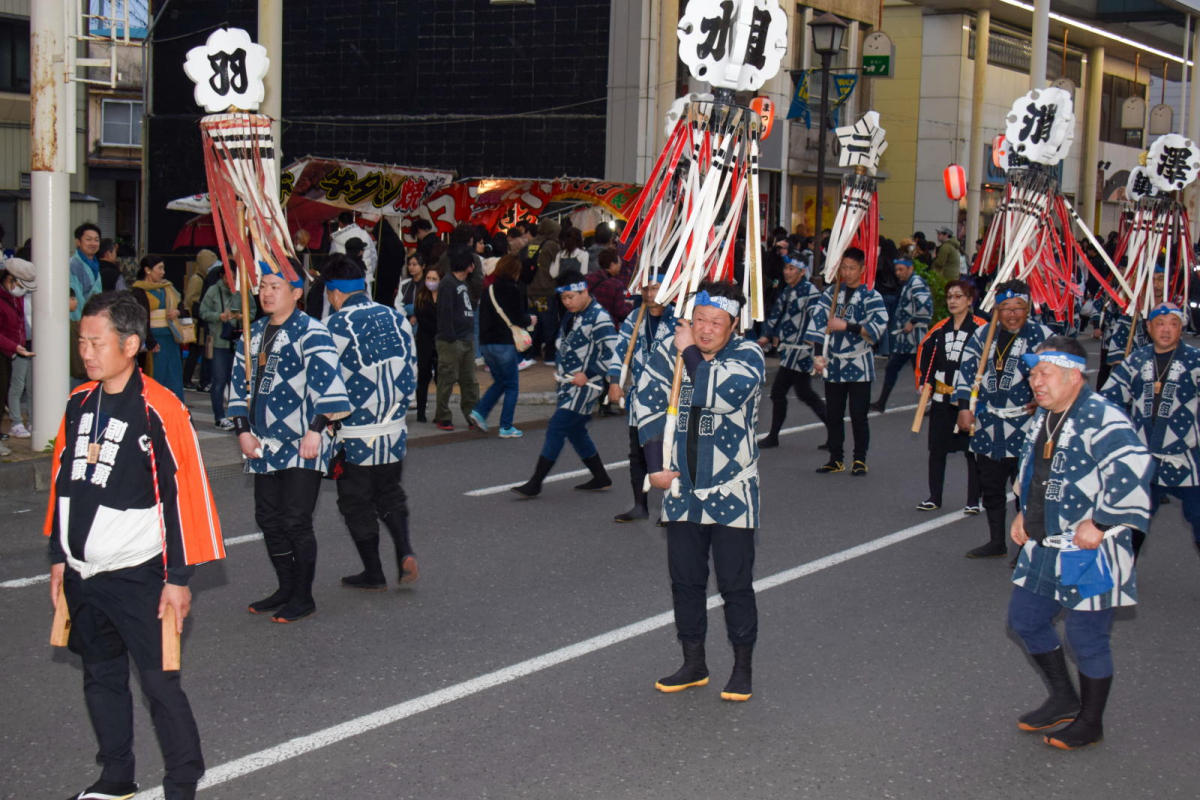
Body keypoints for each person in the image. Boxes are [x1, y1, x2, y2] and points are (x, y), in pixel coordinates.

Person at [44, 290, 225, 800]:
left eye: (96, 342)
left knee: (160, 684)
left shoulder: (159, 409)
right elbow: (62, 482)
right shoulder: (79, 402)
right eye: (82, 341)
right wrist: (58, 557)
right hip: (83, 573)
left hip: (139, 573)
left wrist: (178, 579)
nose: (86, 352)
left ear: (130, 344)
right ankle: (116, 777)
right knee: (100, 677)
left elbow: (185, 495)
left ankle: (182, 782)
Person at [1007, 338, 1151, 750]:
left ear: (1073, 376)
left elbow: (1135, 466)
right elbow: (1033, 471)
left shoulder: (1102, 417)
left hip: (1091, 550)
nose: (1035, 381)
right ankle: (1064, 699)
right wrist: (1024, 512)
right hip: (1045, 541)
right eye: (1032, 373)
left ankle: (1090, 722)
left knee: (1086, 637)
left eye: (1044, 373)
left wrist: (1102, 521)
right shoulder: (1045, 416)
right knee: (1025, 619)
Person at [634, 281, 765, 701]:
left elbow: (718, 393)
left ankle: (742, 667)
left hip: (732, 491)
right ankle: (694, 663)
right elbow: (647, 404)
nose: (706, 329)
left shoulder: (747, 355)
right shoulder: (668, 352)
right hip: (682, 491)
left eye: (716, 322)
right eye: (700, 320)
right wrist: (655, 467)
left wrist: (688, 349)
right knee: (685, 582)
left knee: (734, 584)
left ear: (733, 326)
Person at [228, 262, 351, 623]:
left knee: (296, 520)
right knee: (268, 518)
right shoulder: (252, 333)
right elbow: (237, 386)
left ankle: (303, 595)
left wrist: (316, 429)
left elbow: (329, 385)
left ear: (296, 293)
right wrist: (242, 430)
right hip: (263, 442)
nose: (266, 293)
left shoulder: (312, 331)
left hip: (303, 441)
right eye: (263, 286)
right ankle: (285, 586)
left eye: (275, 286)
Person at [323, 255, 420, 590]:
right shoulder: (397, 318)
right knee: (390, 493)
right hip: (394, 428)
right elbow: (412, 369)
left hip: (355, 434)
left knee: (356, 503)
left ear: (334, 293)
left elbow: (326, 383)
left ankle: (374, 573)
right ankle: (405, 550)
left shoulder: (332, 327)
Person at [955, 280, 1052, 559]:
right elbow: (966, 371)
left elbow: (1057, 375)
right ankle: (997, 541)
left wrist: (1044, 399)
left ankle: (1026, 548)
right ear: (996, 309)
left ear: (1028, 307)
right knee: (991, 487)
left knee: (1027, 489)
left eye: (1017, 307)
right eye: (1005, 308)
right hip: (989, 423)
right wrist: (964, 407)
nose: (1011, 314)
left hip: (1027, 423)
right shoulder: (984, 334)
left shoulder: (1042, 337)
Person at [1101, 302, 1200, 561]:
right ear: (1148, 327)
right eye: (1160, 324)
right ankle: (1122, 574)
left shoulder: (1195, 361)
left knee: (1199, 519)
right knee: (1132, 522)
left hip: (1188, 458)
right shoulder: (1136, 360)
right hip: (1143, 458)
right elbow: (1108, 399)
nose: (1166, 330)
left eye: (1173, 324)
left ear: (1182, 327)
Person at [512, 270, 617, 498]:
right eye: (563, 298)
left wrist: (587, 374)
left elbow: (612, 353)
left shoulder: (599, 316)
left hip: (585, 387)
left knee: (557, 427)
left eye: (571, 297)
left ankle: (535, 483)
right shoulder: (574, 314)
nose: (567, 302)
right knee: (576, 431)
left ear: (584, 291)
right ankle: (601, 477)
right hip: (568, 384)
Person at [806, 247, 888, 475]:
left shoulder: (871, 295)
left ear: (862, 269)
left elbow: (877, 328)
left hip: (859, 362)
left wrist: (847, 326)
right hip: (834, 362)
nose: (847, 272)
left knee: (858, 415)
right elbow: (818, 325)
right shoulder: (831, 293)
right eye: (843, 267)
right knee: (834, 414)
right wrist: (818, 355)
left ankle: (859, 459)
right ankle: (836, 458)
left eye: (852, 268)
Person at [608, 272, 675, 522]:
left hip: (670, 399)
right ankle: (640, 505)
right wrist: (615, 382)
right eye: (646, 289)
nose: (649, 294)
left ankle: (672, 509)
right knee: (638, 453)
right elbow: (620, 350)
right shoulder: (635, 317)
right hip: (641, 399)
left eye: (655, 288)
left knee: (669, 453)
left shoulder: (679, 318)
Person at [914, 279, 986, 512]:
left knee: (971, 451)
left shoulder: (982, 328)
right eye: (949, 297)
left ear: (969, 300)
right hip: (942, 397)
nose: (953, 301)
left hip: (969, 400)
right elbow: (926, 356)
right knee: (937, 449)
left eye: (958, 296)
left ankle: (973, 500)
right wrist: (924, 383)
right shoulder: (939, 329)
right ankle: (934, 496)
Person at [758, 256, 825, 448]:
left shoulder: (810, 292)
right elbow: (777, 313)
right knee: (804, 393)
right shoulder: (788, 290)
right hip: (789, 349)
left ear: (802, 271)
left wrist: (817, 352)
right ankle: (834, 430)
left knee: (779, 392)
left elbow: (817, 322)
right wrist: (767, 336)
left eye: (791, 268)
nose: (787, 272)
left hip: (801, 350)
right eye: (785, 268)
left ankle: (773, 436)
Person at [471, 254, 535, 437]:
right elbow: (518, 318)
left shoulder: (488, 290)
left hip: (486, 345)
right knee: (512, 385)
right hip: (504, 343)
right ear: (515, 271)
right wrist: (530, 319)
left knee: (500, 381)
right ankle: (506, 426)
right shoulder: (514, 290)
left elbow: (482, 319)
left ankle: (479, 412)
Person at [872, 256, 932, 412]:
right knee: (893, 368)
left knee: (921, 372)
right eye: (896, 269)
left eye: (901, 269)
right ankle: (881, 402)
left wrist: (913, 321)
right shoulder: (909, 283)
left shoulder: (916, 283)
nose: (898, 273)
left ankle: (931, 404)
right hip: (905, 339)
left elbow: (926, 307)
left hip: (915, 339)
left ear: (910, 268)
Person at [433, 247, 480, 431]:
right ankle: (443, 415)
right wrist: (451, 337)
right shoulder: (448, 283)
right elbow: (445, 312)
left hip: (466, 338)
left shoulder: (464, 283)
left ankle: (472, 415)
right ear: (468, 265)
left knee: (470, 381)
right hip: (451, 340)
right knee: (447, 379)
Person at [131, 256, 186, 402]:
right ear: (147, 270)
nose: (163, 272)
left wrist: (177, 312)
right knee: (156, 376)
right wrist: (150, 341)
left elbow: (182, 305)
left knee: (174, 376)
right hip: (154, 340)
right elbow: (140, 319)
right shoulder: (138, 290)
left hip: (171, 337)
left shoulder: (167, 287)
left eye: (163, 268)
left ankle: (176, 407)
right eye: (159, 268)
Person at [198, 266, 242, 429]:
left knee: (236, 381)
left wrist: (240, 316)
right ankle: (220, 417)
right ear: (222, 275)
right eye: (228, 277)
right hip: (218, 341)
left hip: (237, 341)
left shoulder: (242, 291)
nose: (231, 281)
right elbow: (203, 312)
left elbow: (252, 311)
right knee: (219, 380)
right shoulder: (213, 290)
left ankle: (236, 415)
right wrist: (218, 316)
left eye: (234, 278)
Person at [1, 259, 36, 448]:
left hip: (18, 347)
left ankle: (27, 421)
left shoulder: (17, 297)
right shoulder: (5, 298)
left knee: (26, 386)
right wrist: (15, 346)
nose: (23, 290)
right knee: (15, 386)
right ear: (9, 279)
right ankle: (15, 423)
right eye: (21, 285)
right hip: (11, 349)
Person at [522, 219, 562, 365]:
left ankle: (532, 352)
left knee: (533, 323)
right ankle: (550, 355)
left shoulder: (530, 243)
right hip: (546, 290)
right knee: (549, 323)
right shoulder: (552, 245)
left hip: (530, 289)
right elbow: (558, 265)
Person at [182, 250, 217, 391]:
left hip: (198, 320)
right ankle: (186, 379)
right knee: (195, 351)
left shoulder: (203, 278)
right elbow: (190, 299)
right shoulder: (197, 279)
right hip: (196, 322)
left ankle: (188, 379)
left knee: (198, 351)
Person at [413, 266, 440, 423]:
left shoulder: (445, 297)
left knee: (441, 378)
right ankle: (421, 412)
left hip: (440, 342)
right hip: (425, 342)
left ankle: (441, 412)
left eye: (434, 279)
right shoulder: (421, 297)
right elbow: (422, 318)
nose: (430, 281)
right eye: (428, 278)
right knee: (423, 377)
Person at [328, 211, 378, 292]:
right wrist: (369, 272)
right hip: (365, 278)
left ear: (340, 223)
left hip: (344, 279)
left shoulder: (336, 239)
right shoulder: (364, 234)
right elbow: (374, 256)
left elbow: (332, 261)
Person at [70, 223, 103, 321]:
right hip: (79, 321)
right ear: (78, 242)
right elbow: (74, 298)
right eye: (88, 239)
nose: (93, 243)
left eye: (96, 240)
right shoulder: (73, 265)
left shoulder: (95, 264)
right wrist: (82, 322)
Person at [394, 252, 425, 319]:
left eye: (414, 264)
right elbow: (398, 303)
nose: (411, 267)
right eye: (409, 264)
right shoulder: (404, 284)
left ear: (423, 266)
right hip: (406, 318)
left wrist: (417, 316)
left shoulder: (427, 284)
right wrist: (407, 316)